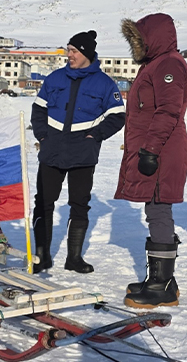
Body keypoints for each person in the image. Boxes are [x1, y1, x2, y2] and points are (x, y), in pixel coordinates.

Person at [30, 30, 125, 274]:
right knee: (43, 203)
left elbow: (117, 116)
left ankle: (74, 258)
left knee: (79, 205)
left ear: (86, 53)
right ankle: (42, 257)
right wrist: (43, 136)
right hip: (52, 150)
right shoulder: (55, 78)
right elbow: (38, 109)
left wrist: (95, 136)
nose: (69, 55)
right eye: (68, 50)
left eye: (73, 51)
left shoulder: (105, 83)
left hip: (83, 152)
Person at [115, 13, 187, 308]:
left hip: (162, 149)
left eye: (140, 39)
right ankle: (161, 279)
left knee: (159, 209)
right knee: (155, 208)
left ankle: (162, 285)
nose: (137, 45)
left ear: (154, 38)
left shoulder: (168, 64)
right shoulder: (157, 64)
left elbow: (169, 110)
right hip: (157, 147)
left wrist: (150, 149)